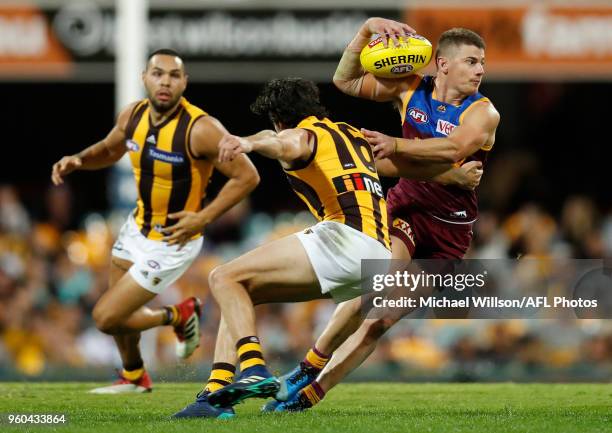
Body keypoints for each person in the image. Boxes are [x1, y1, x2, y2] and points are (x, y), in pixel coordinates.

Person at [171, 77, 481, 418]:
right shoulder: (353, 135)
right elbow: (405, 167)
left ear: (279, 117)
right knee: (241, 295)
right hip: (376, 263)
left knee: (222, 277)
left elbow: (280, 142)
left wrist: (247, 143)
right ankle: (215, 396)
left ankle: (255, 369)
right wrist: (455, 178)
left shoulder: (302, 134)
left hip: (344, 240)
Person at [265, 19, 499, 412]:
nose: (480, 70)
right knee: (373, 286)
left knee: (382, 321)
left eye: (482, 63)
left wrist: (395, 144)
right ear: (442, 64)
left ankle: (308, 396)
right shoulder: (410, 89)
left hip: (451, 228)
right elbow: (346, 81)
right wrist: (366, 31)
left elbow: (451, 146)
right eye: (472, 61)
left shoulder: (484, 112)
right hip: (406, 205)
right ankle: (309, 366)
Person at [50, 48, 259, 394]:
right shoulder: (133, 115)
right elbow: (110, 148)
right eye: (158, 73)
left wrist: (203, 217)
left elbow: (247, 177)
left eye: (174, 75)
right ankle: (134, 376)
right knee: (120, 317)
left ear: (184, 82)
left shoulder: (201, 128)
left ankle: (178, 315)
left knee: (106, 317)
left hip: (174, 239)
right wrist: (78, 160)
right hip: (137, 227)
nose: (165, 81)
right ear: (144, 78)